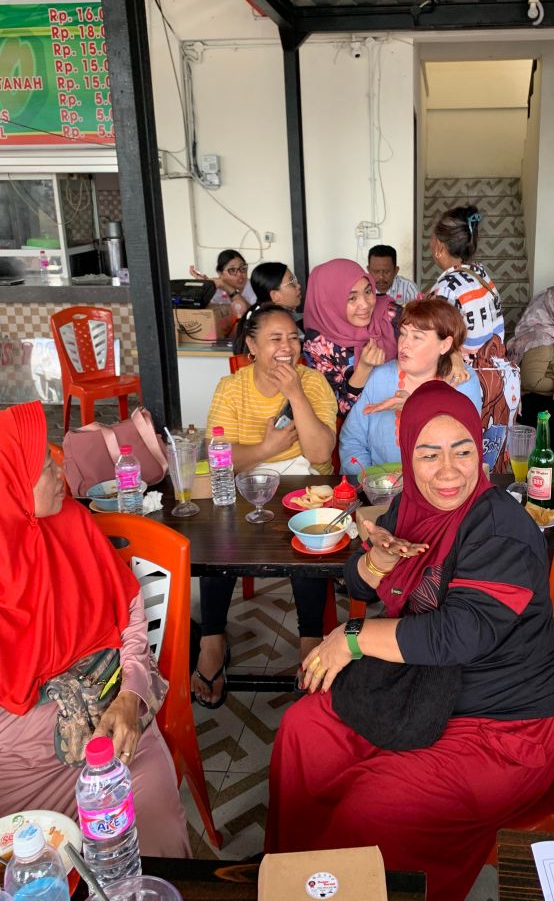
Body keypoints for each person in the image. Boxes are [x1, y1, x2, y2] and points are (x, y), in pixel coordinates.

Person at [266, 381, 554, 900]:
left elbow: (460, 634)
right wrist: (377, 559)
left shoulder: (500, 530)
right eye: (429, 455)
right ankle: (298, 878)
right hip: (423, 690)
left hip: (506, 728)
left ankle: (350, 882)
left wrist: (353, 636)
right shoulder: (411, 506)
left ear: (481, 451)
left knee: (372, 808)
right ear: (408, 458)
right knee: (304, 729)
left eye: (463, 451)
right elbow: (357, 582)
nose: (449, 471)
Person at [0, 401, 190, 857]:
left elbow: (131, 620)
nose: (60, 475)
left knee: (156, 838)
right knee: (35, 865)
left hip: (113, 725)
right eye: (45, 467)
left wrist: (132, 695)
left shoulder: (72, 523)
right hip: (21, 762)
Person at [193, 304, 338, 706]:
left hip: (305, 488)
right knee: (219, 531)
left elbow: (320, 452)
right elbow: (218, 456)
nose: (287, 347)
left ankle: (310, 638)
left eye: (293, 338)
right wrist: (265, 448)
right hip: (246, 486)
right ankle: (212, 640)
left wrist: (295, 393)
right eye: (275, 339)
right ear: (252, 346)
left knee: (309, 535)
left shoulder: (313, 382)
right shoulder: (232, 387)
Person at [339, 297, 482, 472]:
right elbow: (352, 441)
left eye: (417, 337)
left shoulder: (461, 380)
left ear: (444, 345)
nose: (404, 344)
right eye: (403, 333)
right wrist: (370, 480)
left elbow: (463, 448)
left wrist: (414, 408)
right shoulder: (379, 377)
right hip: (381, 484)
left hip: (441, 483)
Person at [429, 205, 517, 437]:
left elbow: (435, 341)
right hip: (497, 380)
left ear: (439, 246)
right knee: (490, 451)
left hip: (466, 384)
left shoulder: (446, 288)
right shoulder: (480, 273)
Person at [302, 259, 398, 415]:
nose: (365, 305)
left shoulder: (387, 314)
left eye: (368, 292)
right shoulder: (318, 345)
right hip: (358, 425)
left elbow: (430, 336)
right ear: (329, 303)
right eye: (352, 298)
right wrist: (363, 369)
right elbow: (335, 408)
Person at [507, 287, 554, 456]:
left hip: (525, 397)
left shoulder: (542, 328)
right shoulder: (542, 339)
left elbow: (543, 362)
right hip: (528, 404)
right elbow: (532, 382)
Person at [189, 248, 255, 318]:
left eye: (243, 268)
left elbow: (253, 315)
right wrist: (204, 287)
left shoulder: (255, 285)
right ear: (220, 273)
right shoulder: (216, 290)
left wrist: (228, 288)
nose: (240, 274)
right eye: (232, 270)